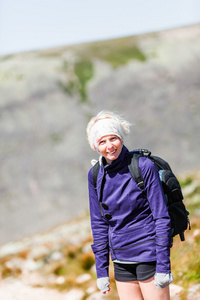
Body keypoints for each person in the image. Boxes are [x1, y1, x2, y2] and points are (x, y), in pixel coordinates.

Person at [86, 110, 173, 300]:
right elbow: (99, 224)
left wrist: (163, 266)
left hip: (148, 253)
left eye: (113, 138)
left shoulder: (143, 166)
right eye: (102, 141)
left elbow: (161, 216)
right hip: (121, 258)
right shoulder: (94, 175)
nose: (110, 146)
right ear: (95, 146)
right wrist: (101, 271)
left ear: (122, 139)